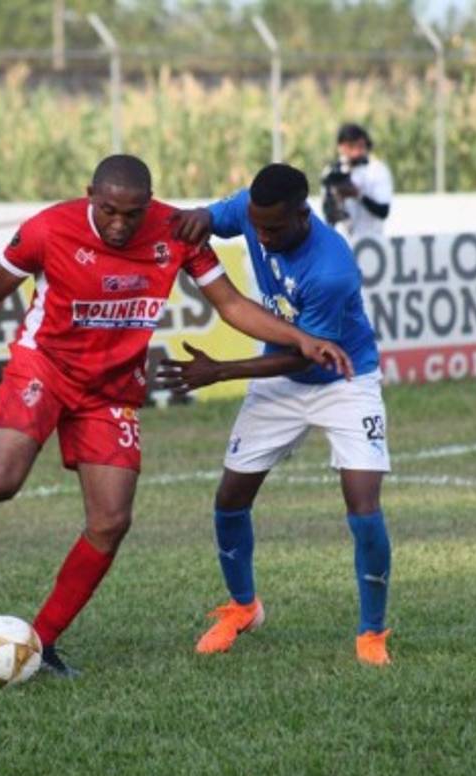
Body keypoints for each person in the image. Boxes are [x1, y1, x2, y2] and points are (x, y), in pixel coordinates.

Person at [0, 154, 352, 678]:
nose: (121, 224)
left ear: (150, 203)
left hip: (112, 387)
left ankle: (42, 643)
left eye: (134, 213)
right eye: (110, 211)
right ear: (90, 195)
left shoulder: (176, 231)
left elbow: (231, 304)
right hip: (44, 366)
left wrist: (301, 337)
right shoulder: (48, 229)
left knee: (111, 520)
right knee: (2, 478)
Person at [164, 163, 395, 666]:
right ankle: (243, 607)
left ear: (303, 214)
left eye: (272, 228)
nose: (261, 236)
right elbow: (205, 218)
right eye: (256, 226)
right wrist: (190, 219)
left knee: (363, 507)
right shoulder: (253, 209)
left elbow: (303, 352)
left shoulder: (332, 267)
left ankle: (372, 633)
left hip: (344, 379)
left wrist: (221, 371)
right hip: (278, 385)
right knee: (230, 497)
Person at [320, 123, 393, 244]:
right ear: (341, 147)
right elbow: (329, 217)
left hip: (372, 240)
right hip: (343, 242)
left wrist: (358, 195)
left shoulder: (376, 170)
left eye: (360, 146)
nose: (356, 152)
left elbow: (383, 211)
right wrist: (336, 197)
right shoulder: (331, 172)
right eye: (351, 146)